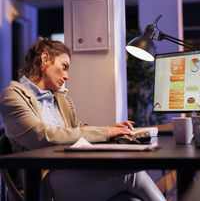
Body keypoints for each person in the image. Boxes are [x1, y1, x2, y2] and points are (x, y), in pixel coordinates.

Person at [0, 38, 166, 201]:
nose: (66, 76)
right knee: (132, 174)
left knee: (128, 199)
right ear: (45, 59)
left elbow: (74, 127)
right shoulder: (12, 96)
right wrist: (105, 132)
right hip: (39, 182)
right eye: (64, 67)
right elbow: (42, 136)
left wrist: (112, 130)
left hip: (67, 171)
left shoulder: (57, 97)